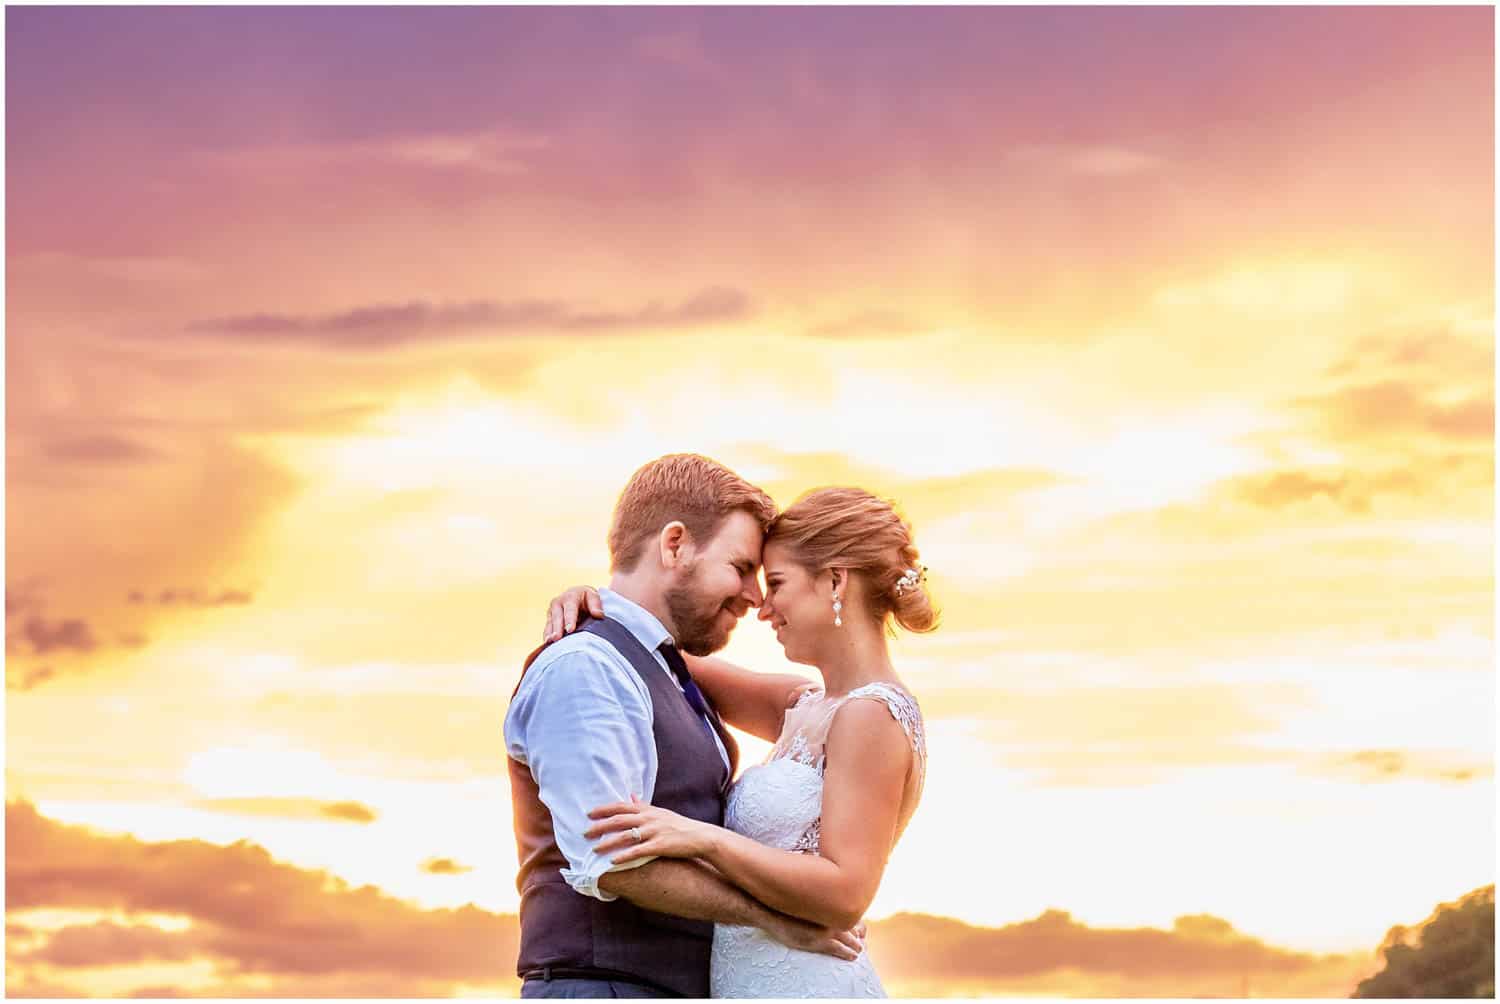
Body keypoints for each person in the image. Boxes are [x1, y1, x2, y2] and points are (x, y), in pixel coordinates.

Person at [544, 485, 934, 998]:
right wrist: (599, 607)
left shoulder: (871, 716)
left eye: (776, 582)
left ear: (836, 581)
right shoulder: (805, 704)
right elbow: (658, 650)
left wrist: (704, 838)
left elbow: (845, 892)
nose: (763, 607)